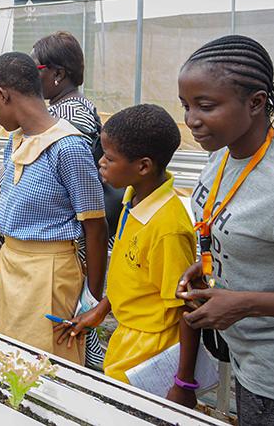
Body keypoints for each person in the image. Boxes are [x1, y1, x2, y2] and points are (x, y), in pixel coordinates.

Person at [60, 104, 199, 407]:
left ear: (144, 166)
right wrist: (102, 309)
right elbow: (136, 275)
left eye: (109, 158)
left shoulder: (168, 229)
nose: (101, 162)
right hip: (127, 341)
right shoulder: (131, 200)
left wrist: (184, 381)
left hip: (151, 352)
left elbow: (186, 309)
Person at [0, 52, 107, 365]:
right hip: (11, 266)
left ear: (2, 95)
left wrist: (91, 298)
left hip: (48, 273)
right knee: (0, 358)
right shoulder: (18, 140)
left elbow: (95, 225)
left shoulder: (68, 146)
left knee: (43, 364)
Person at [176, 35, 274, 424]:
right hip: (244, 358)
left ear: (255, 103)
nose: (191, 120)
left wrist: (244, 303)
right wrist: (206, 268)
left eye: (206, 106)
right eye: (186, 106)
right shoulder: (219, 156)